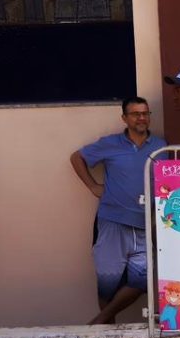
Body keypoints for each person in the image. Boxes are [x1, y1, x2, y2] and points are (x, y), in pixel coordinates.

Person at [70, 96, 166, 324]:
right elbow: (77, 157)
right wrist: (93, 186)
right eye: (135, 114)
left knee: (142, 281)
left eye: (145, 113)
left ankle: (98, 322)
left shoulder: (161, 146)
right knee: (107, 285)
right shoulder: (110, 144)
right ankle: (106, 334)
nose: (142, 118)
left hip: (144, 224)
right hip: (111, 221)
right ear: (124, 118)